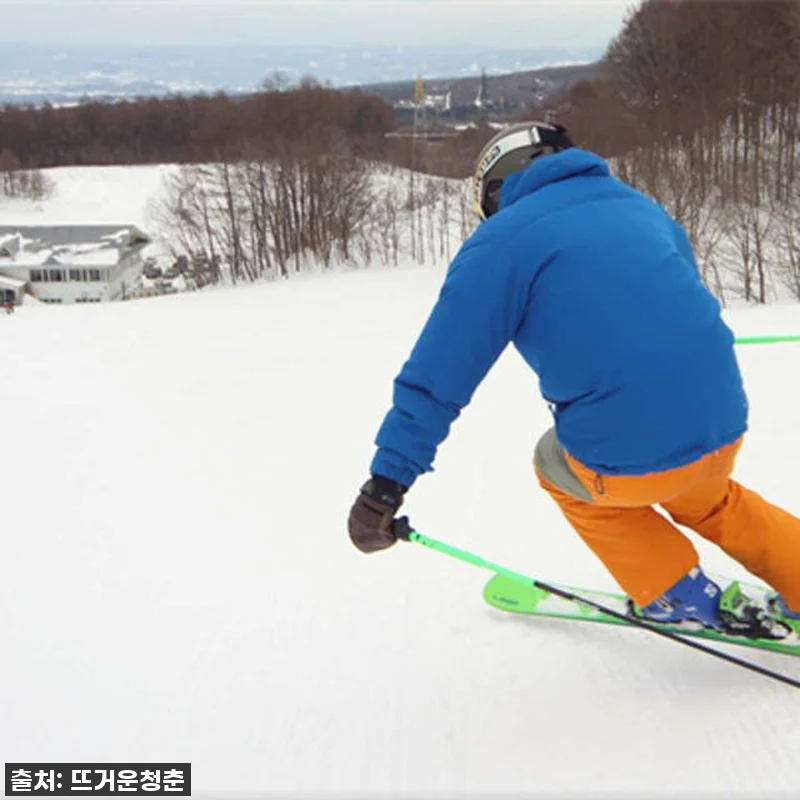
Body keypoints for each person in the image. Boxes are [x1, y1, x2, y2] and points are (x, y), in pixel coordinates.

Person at [347, 121, 800, 639]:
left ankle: (673, 588)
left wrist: (385, 487)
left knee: (554, 464)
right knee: (709, 497)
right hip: (721, 428)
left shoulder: (502, 241)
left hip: (632, 452)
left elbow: (436, 377)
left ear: (498, 189)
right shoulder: (641, 208)